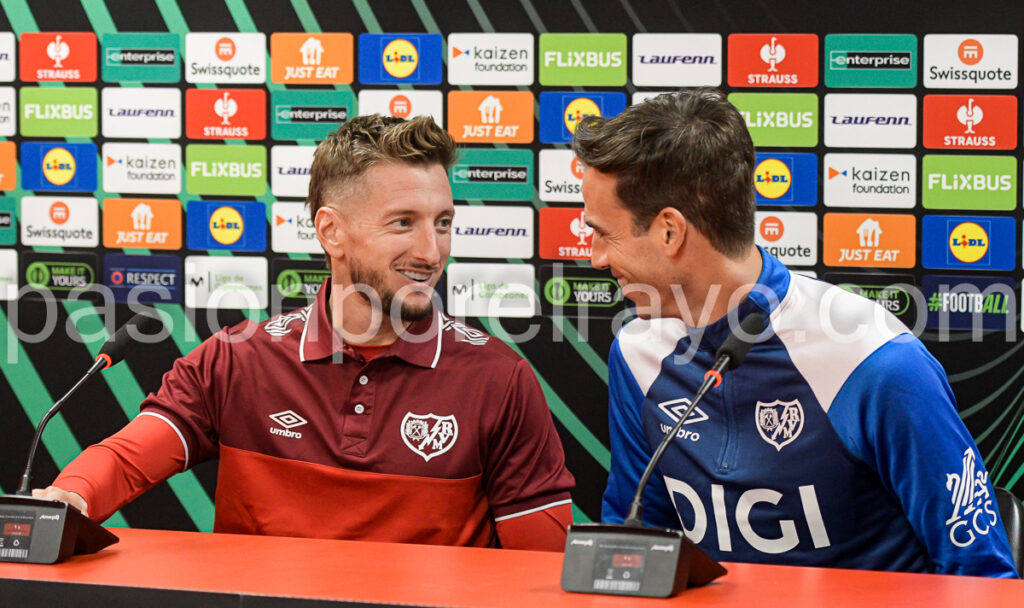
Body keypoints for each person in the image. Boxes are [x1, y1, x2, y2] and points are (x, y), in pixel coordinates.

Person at [34, 115, 575, 551]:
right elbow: (126, 459)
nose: (432, 252)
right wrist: (69, 500)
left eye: (443, 222)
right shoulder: (236, 359)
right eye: (403, 222)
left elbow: (542, 571)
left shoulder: (499, 378)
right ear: (331, 231)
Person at [573, 88, 1018, 576]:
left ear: (669, 231)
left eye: (604, 233)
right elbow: (634, 553)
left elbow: (982, 578)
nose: (594, 256)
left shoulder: (874, 360)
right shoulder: (636, 352)